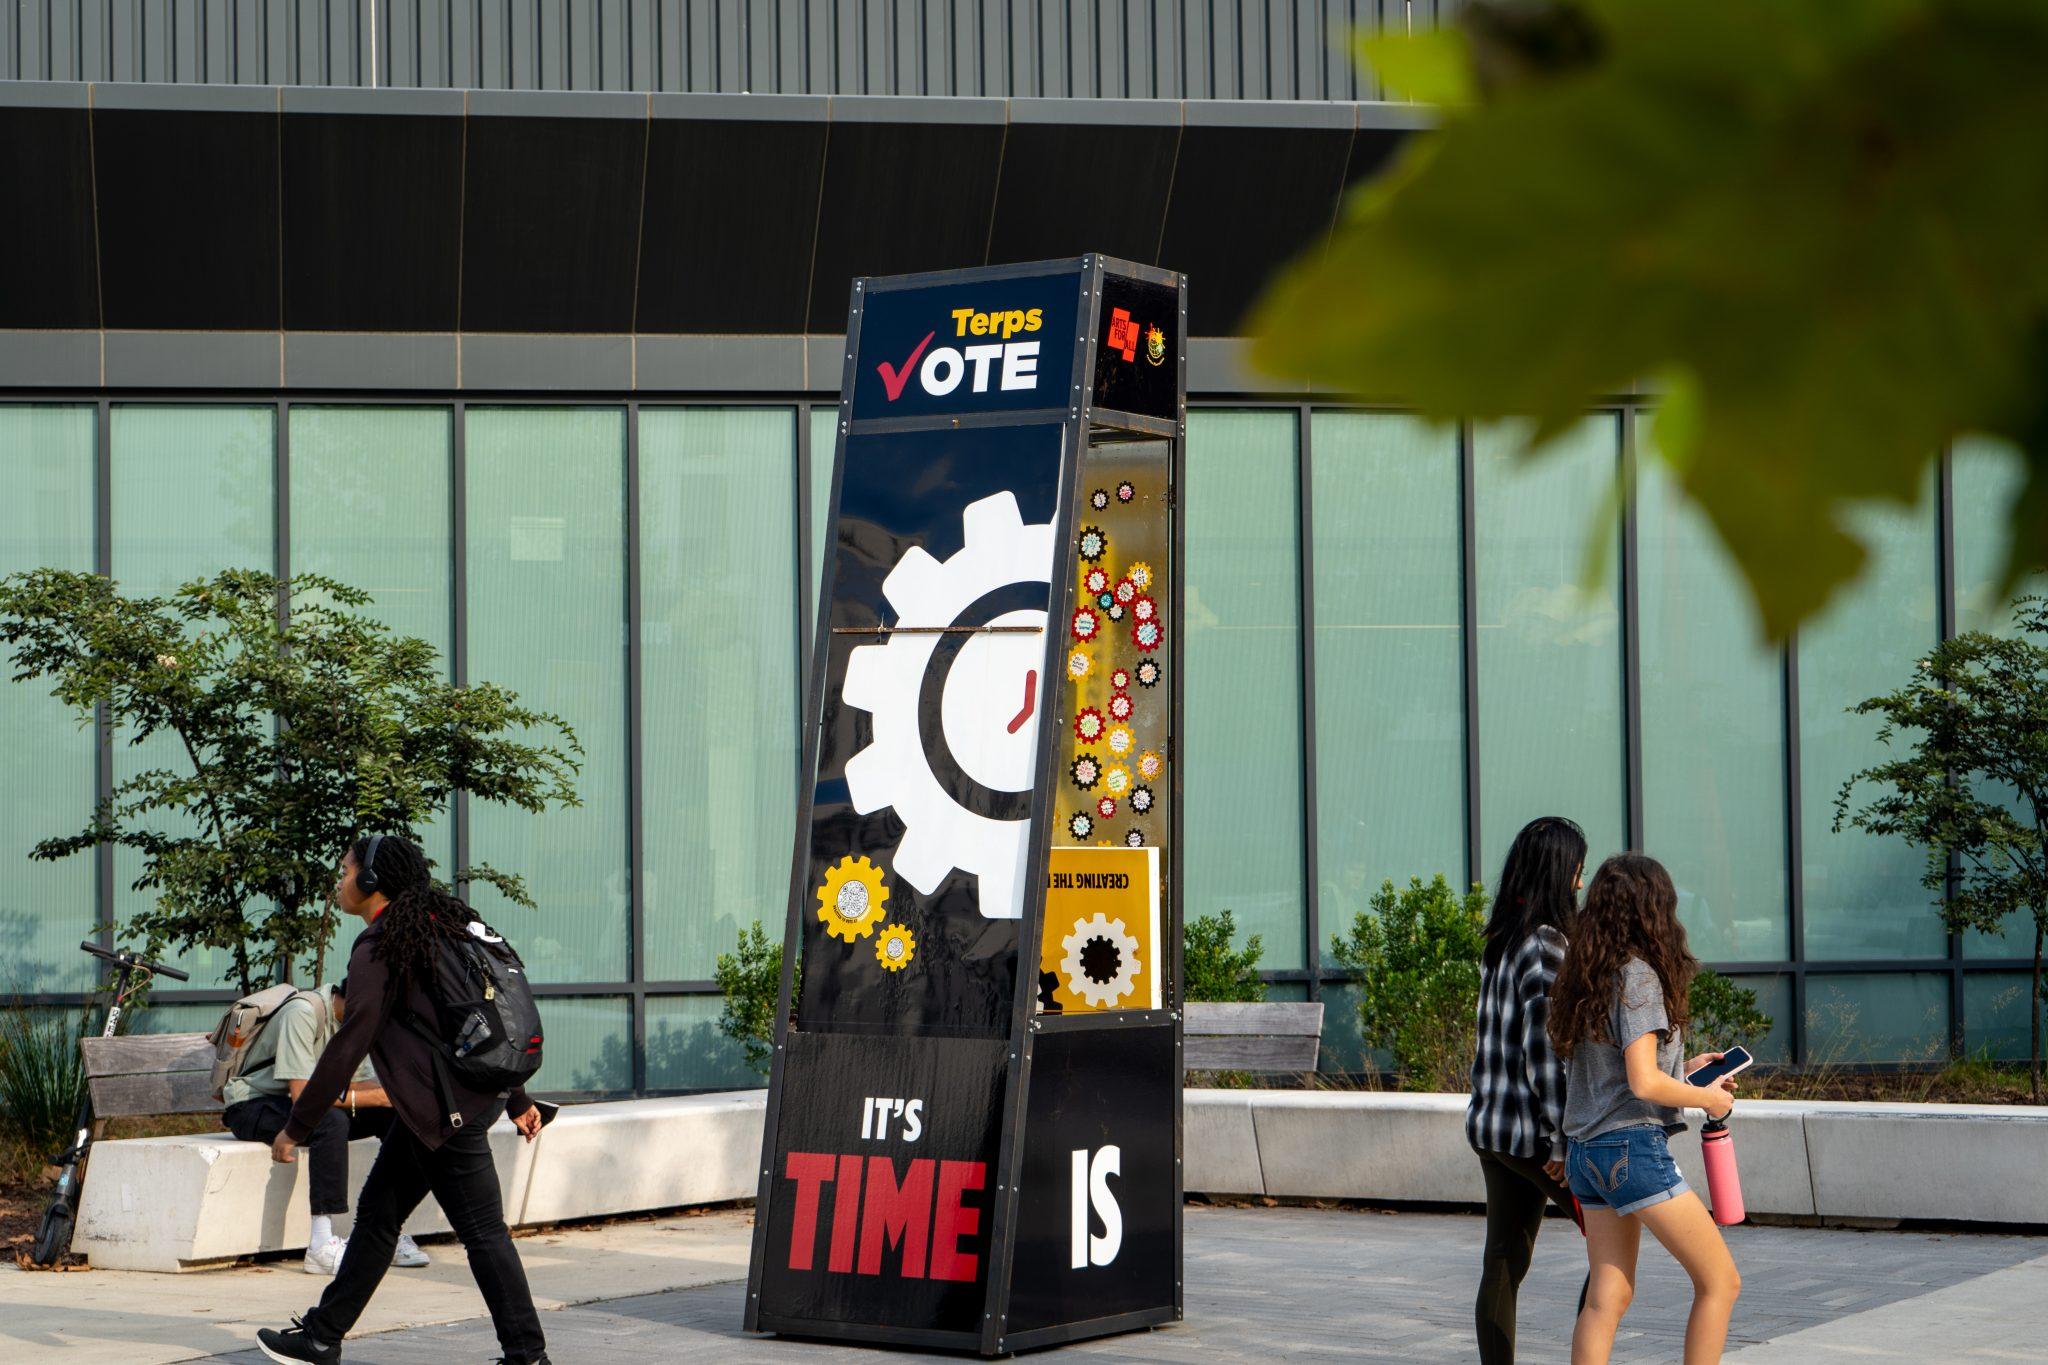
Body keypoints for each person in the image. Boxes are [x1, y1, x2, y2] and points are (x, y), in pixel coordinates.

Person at [255, 835, 550, 1365]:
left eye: (345, 870)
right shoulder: (436, 928)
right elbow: (465, 1020)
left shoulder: (381, 944)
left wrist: (297, 1126)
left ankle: (528, 1356)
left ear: (372, 881)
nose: (339, 881)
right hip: (450, 1103)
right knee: (377, 1218)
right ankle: (322, 1336)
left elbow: (352, 1039)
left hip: (443, 1111)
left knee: (482, 1232)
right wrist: (513, 1095)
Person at [1550, 853, 1741, 1365]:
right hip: (1630, 1149)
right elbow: (1642, 1081)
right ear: (1654, 907)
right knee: (1720, 1282)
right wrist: (1709, 1097)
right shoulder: (1638, 976)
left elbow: (1622, 1069)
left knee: (1606, 1298)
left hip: (1585, 1153)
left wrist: (1687, 1068)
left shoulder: (1589, 973)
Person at [1466, 815, 1588, 1364]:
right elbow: (1545, 1053)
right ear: (1560, 872)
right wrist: (1560, 1141)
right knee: (1614, 1247)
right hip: (1534, 1137)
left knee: (1504, 1261)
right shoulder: (1544, 944)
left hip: (1493, 1127)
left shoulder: (1503, 939)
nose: (1581, 884)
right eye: (1579, 871)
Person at [221, 980, 430, 1274]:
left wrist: (400, 1094)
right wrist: (380, 1096)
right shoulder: (303, 1012)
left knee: (401, 1118)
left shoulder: (357, 1024)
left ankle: (383, 1230)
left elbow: (360, 1085)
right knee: (329, 1120)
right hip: (253, 1105)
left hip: (301, 1106)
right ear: (358, 1002)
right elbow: (303, 1098)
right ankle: (320, 1244)